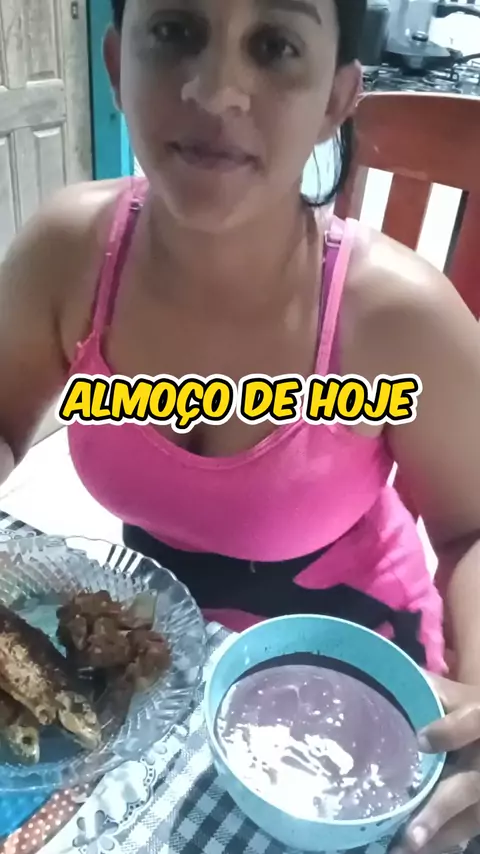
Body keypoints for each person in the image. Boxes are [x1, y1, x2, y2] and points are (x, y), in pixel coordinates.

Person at [0, 0, 480, 848]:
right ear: (115, 65)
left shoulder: (398, 318)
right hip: (154, 670)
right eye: (175, 31)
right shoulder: (67, 257)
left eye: (275, 45)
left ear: (337, 99)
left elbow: (473, 529)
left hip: (362, 698)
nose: (217, 89)